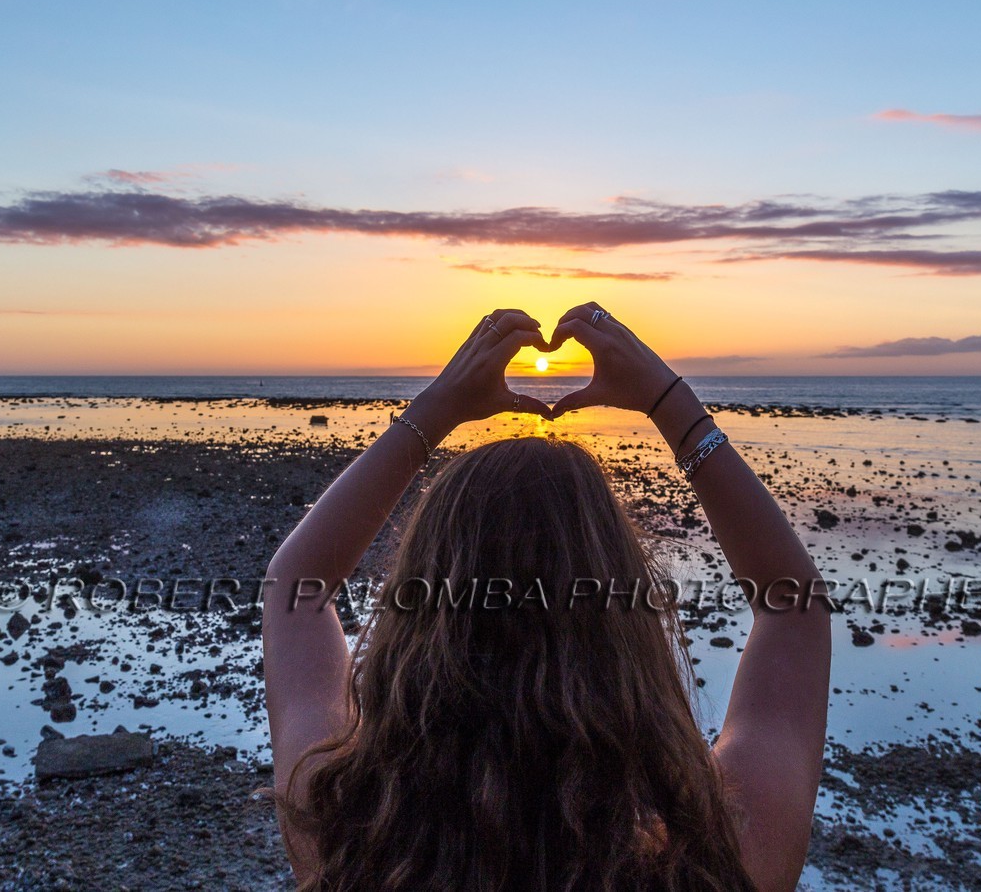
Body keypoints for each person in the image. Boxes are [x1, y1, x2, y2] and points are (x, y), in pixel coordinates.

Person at [262, 305, 831, 891]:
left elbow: (294, 586)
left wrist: (434, 411)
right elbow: (795, 606)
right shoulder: (717, 859)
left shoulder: (344, 837)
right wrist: (670, 404)